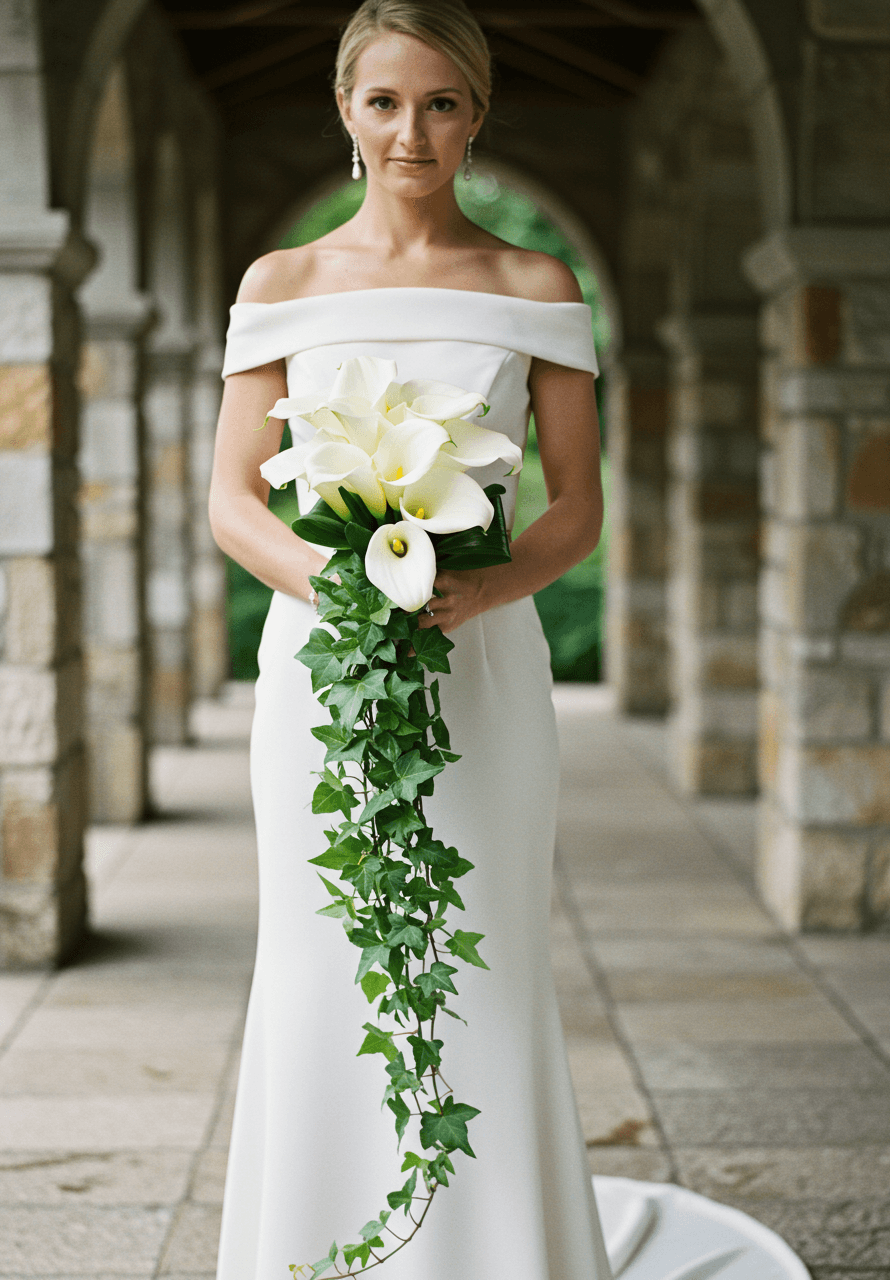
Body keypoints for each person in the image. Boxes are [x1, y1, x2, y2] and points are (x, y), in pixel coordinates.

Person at [209, 2, 611, 1276]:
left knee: (481, 955)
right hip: (320, 669)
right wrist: (330, 592)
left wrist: (481, 593)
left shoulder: (534, 286)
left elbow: (576, 508)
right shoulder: (281, 285)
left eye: (440, 103)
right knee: (323, 954)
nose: (411, 131)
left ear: (477, 116)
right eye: (385, 102)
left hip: (481, 669)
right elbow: (230, 502)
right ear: (346, 110)